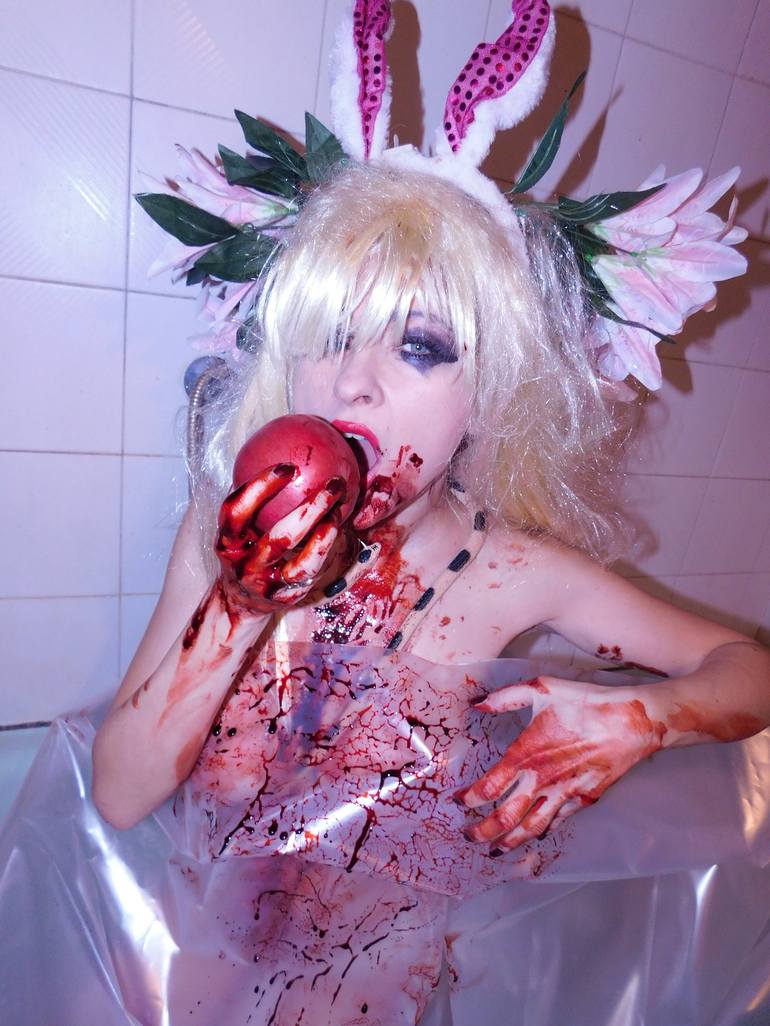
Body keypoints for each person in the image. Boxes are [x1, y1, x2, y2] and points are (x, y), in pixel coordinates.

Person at [21, 1, 770, 1023]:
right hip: (193, 972)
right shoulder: (230, 527)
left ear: (488, 397)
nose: (353, 384)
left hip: (378, 994)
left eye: (419, 347)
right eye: (333, 335)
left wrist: (641, 720)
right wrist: (240, 604)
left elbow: (748, 672)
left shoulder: (513, 573)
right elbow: (119, 795)